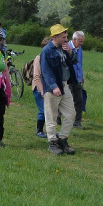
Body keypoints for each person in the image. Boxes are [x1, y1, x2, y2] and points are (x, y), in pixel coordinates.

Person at [40, 24, 77, 155]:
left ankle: (62, 139)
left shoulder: (65, 48)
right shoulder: (47, 51)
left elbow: (74, 62)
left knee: (71, 114)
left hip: (65, 84)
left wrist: (71, 52)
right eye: (63, 37)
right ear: (55, 37)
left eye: (66, 36)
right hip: (53, 88)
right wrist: (53, 86)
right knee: (51, 115)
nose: (66, 39)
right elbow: (45, 71)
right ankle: (52, 142)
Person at [31, 37, 50, 138]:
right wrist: (41, 89)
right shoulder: (39, 58)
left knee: (50, 110)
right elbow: (36, 76)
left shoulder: (51, 58)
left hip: (48, 87)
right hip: (39, 88)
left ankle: (49, 131)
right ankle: (39, 130)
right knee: (43, 110)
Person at [67, 31, 86, 129]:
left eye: (82, 41)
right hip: (68, 79)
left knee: (79, 100)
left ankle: (77, 122)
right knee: (67, 101)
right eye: (80, 41)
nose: (81, 43)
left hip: (77, 79)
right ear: (74, 39)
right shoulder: (67, 47)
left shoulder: (79, 49)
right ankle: (58, 116)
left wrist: (81, 76)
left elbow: (80, 63)